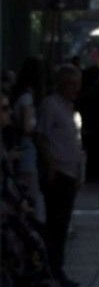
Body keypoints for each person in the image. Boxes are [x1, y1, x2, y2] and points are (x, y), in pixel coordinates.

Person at [1, 91, 84, 287]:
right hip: (8, 217)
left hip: (13, 212)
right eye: (5, 109)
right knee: (32, 245)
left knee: (36, 242)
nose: (9, 113)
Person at [35, 65, 85, 287]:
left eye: (77, 84)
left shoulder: (68, 107)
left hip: (69, 172)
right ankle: (53, 270)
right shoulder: (51, 105)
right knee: (56, 225)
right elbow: (42, 136)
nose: (75, 89)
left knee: (62, 225)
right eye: (71, 84)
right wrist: (51, 165)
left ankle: (57, 268)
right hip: (59, 173)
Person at [9, 56, 46, 223]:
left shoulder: (18, 94)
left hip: (21, 147)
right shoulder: (28, 98)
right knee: (30, 189)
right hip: (27, 148)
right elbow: (27, 127)